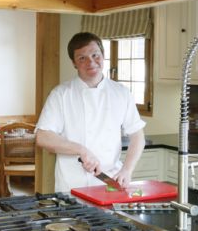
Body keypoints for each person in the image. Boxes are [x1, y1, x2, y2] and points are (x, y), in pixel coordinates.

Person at [36, 32, 145, 192]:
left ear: (103, 55)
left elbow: (137, 136)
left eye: (95, 55)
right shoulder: (61, 94)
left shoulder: (121, 93)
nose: (91, 62)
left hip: (110, 182)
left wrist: (127, 170)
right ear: (74, 63)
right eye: (82, 58)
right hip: (71, 185)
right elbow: (43, 137)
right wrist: (81, 150)